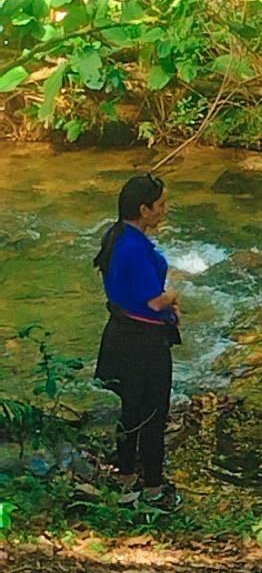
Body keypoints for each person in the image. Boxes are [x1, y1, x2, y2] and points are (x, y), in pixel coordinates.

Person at [93, 173, 182, 511]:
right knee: (154, 415)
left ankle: (126, 478)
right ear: (144, 210)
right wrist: (172, 297)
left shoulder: (115, 234)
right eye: (161, 205)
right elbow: (154, 302)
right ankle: (154, 490)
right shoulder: (134, 249)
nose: (165, 210)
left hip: (120, 334)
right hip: (144, 344)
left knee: (130, 410)